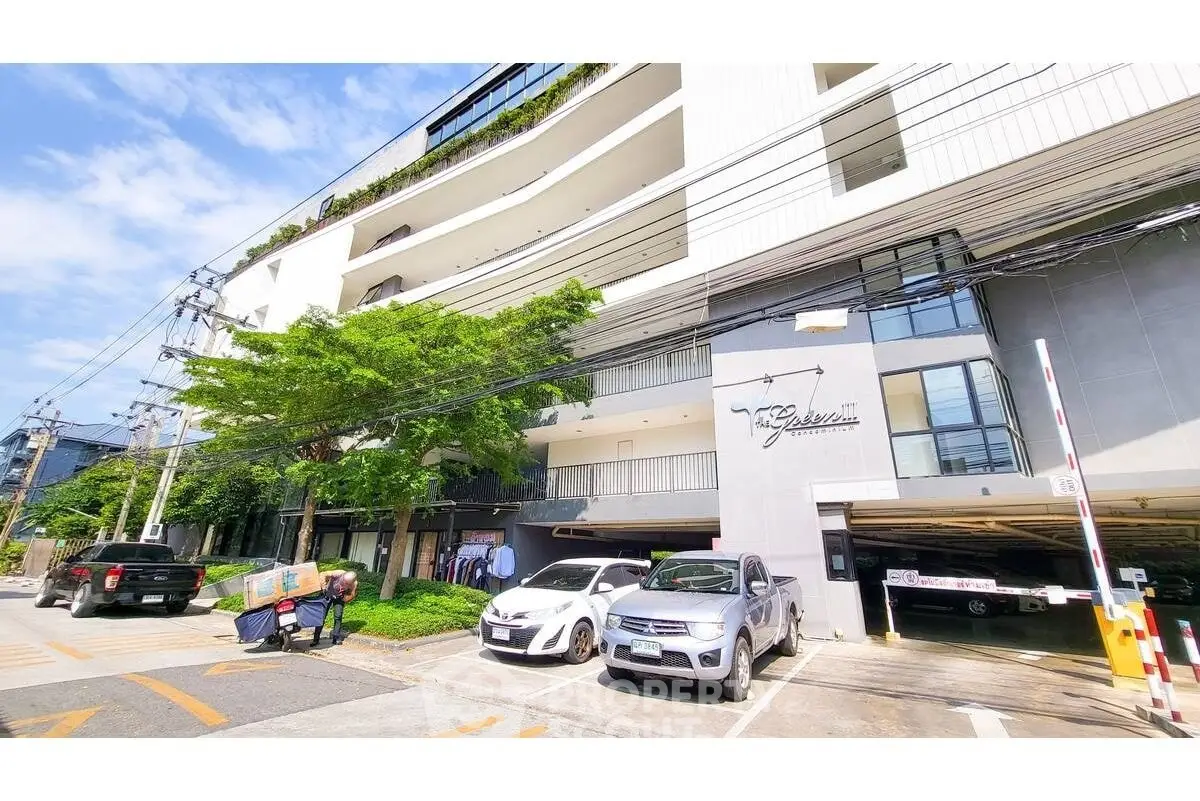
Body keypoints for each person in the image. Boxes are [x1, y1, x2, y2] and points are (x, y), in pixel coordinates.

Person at [312, 569, 358, 646]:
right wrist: (324, 587)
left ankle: (335, 638)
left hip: (339, 598)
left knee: (338, 617)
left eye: (347, 583)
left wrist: (344, 599)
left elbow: (352, 595)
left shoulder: (354, 584)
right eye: (344, 581)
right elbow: (323, 574)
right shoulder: (338, 573)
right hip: (328, 593)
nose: (344, 583)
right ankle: (316, 639)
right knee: (321, 616)